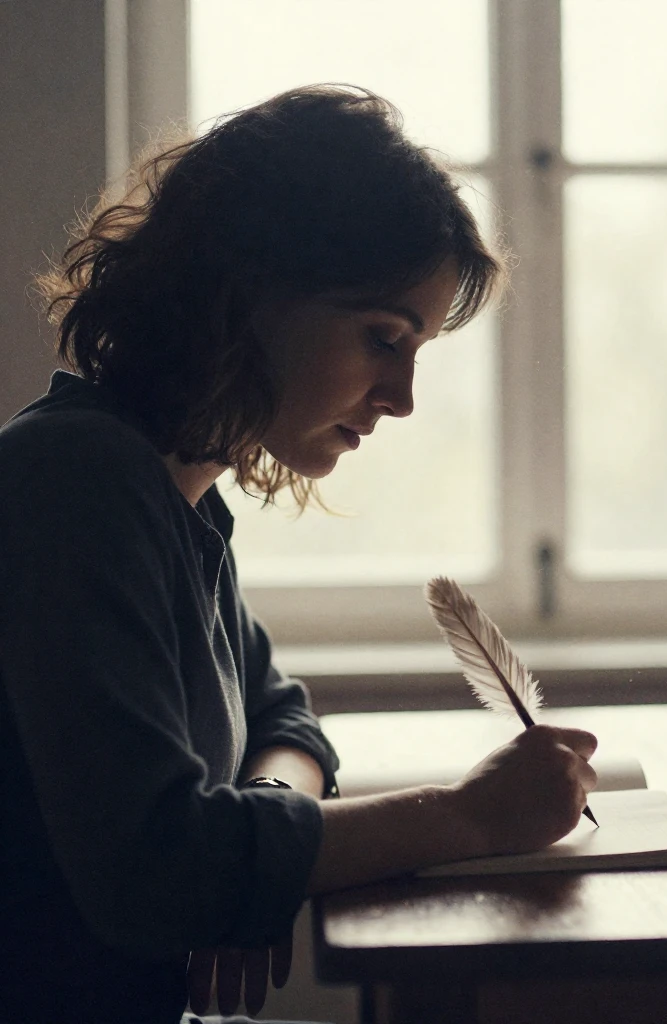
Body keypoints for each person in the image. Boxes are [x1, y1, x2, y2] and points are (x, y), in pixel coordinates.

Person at [0, 85, 598, 1024]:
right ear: (248, 291)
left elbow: (283, 715)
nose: (402, 398)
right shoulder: (74, 481)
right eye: (383, 338)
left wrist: (255, 845)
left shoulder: (179, 500)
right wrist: (471, 816)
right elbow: (156, 872)